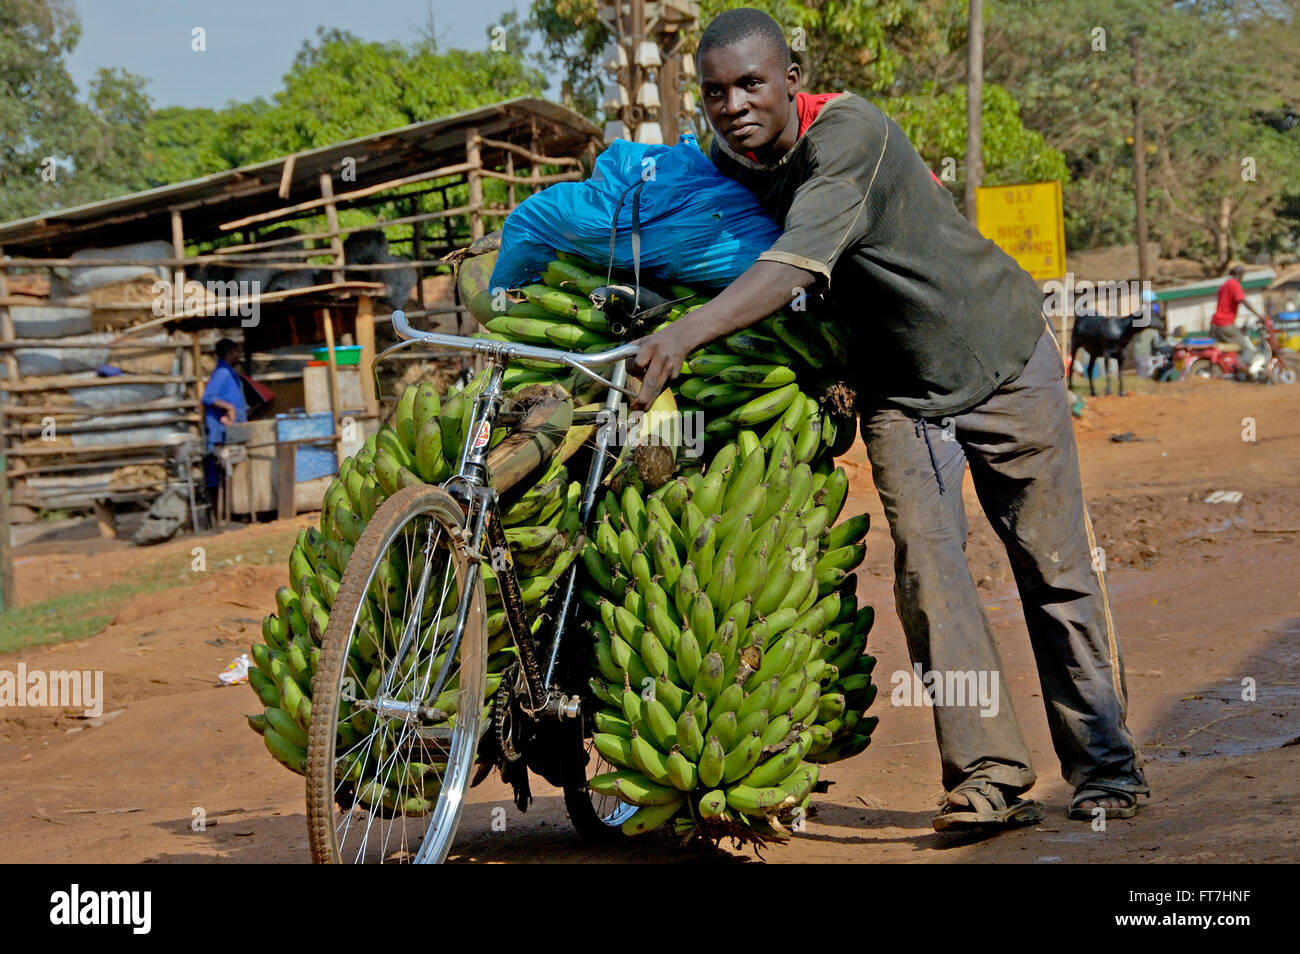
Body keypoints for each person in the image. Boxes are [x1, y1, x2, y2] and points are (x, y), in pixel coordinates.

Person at [631, 7, 1149, 829]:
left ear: (791, 80)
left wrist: (684, 336)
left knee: (1051, 566)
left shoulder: (849, 135)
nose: (732, 106)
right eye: (715, 92)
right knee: (927, 575)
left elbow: (795, 261)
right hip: (900, 395)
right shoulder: (725, 165)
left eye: (751, 84)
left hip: (1000, 356)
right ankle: (987, 773)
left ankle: (1107, 768)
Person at [201, 338, 248, 495]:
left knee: (230, 474)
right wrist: (229, 408)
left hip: (231, 432)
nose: (239, 356)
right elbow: (207, 397)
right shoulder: (222, 373)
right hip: (221, 434)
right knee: (221, 476)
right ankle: (219, 513)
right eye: (237, 352)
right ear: (231, 353)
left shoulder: (229, 372)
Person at [1210, 265, 1266, 372]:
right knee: (1246, 347)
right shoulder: (1234, 284)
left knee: (1228, 350)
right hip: (1224, 324)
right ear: (1240, 275)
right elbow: (1243, 301)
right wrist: (1260, 316)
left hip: (1215, 325)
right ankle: (1245, 370)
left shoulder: (1224, 285)